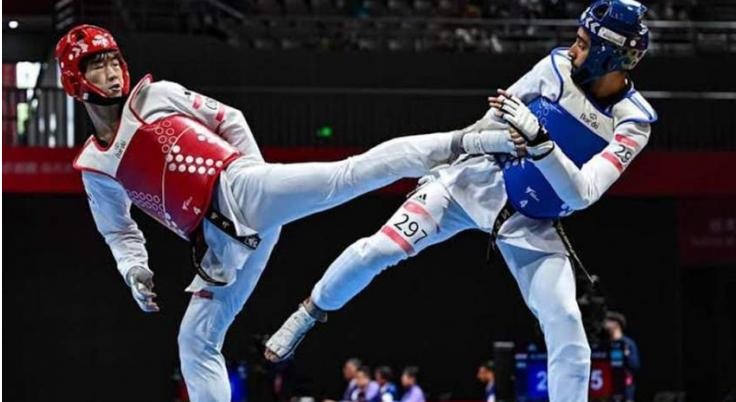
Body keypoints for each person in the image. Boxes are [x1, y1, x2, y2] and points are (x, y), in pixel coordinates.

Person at [54, 25, 520, 402]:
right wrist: (133, 268)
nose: (111, 72)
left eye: (113, 60)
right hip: (220, 246)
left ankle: (469, 140)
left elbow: (229, 119)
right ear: (76, 79)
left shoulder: (156, 95)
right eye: (97, 65)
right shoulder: (96, 167)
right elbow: (118, 230)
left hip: (241, 189)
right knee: (195, 342)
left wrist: (252, 176)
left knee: (350, 174)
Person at [265, 1, 656, 401]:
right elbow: (487, 124)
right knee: (379, 250)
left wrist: (541, 144)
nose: (573, 49)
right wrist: (495, 140)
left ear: (608, 54)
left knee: (567, 322)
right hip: (472, 180)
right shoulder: (555, 67)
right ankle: (309, 312)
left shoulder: (633, 122)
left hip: (532, 220)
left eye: (583, 43)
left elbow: (583, 193)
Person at [604, 311, 640, 402]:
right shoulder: (605, 345)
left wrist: (626, 355)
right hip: (608, 390)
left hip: (625, 390)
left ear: (616, 324)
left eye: (608, 321)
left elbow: (635, 366)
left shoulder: (628, 343)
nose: (605, 323)